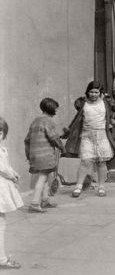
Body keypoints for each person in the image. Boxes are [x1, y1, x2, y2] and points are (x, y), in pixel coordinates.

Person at [64, 81, 115, 198]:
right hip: (87, 135)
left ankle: (101, 187)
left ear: (100, 92)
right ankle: (78, 187)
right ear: (87, 92)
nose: (93, 94)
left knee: (101, 162)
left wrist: (113, 121)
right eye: (91, 92)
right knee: (85, 161)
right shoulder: (83, 102)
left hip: (102, 134)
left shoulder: (106, 102)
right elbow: (77, 105)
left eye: (96, 92)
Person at [24, 98, 65, 212]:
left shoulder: (35, 121)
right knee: (42, 178)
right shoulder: (48, 121)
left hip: (34, 154)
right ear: (52, 109)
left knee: (45, 176)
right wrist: (62, 147)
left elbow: (27, 140)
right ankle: (35, 203)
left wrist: (28, 155)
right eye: (56, 108)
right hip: (45, 154)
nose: (57, 110)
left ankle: (45, 200)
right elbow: (53, 137)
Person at [0, 116, 23, 270]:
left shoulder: (2, 149)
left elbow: (6, 166)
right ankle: (1, 259)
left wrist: (14, 173)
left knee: (2, 221)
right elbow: (2, 168)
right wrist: (12, 175)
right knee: (1, 222)